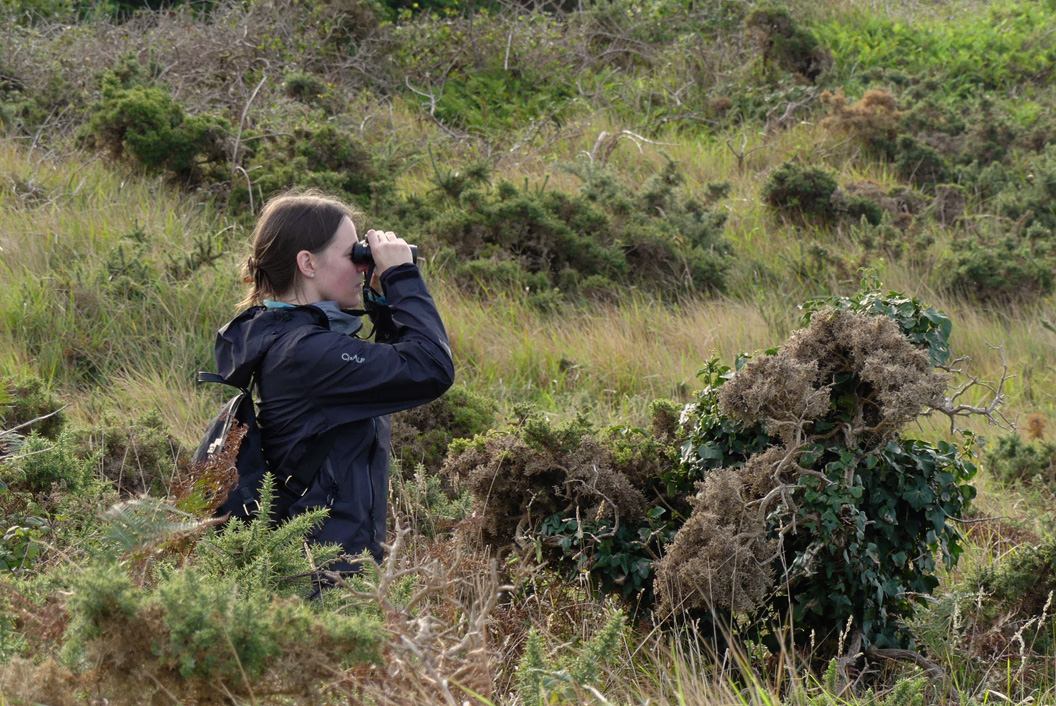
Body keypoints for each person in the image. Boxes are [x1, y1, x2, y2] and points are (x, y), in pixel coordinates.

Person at [210, 190, 454, 572]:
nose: (362, 266)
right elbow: (431, 368)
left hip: (324, 562)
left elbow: (399, 375)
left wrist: (381, 300)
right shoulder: (308, 353)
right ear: (307, 263)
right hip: (321, 573)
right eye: (352, 255)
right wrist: (401, 275)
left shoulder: (296, 341)